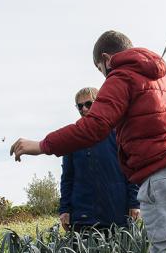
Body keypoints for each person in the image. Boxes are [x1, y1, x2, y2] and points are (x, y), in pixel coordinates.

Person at [10, 30, 166, 253]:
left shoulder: (121, 74)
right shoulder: (160, 78)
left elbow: (94, 127)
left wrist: (42, 145)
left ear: (105, 58)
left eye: (99, 68)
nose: (102, 74)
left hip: (160, 174)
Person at [59, 86, 139, 233]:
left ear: (99, 103)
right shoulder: (72, 138)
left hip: (116, 213)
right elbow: (67, 178)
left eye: (89, 104)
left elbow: (131, 171)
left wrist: (134, 203)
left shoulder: (118, 133)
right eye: (80, 106)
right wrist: (64, 209)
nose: (84, 109)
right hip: (82, 217)